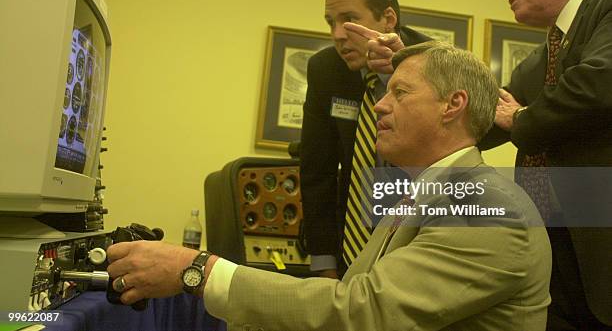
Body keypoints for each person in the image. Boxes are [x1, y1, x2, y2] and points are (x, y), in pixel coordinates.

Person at [108, 41, 552, 331]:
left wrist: (199, 271)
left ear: (452, 106)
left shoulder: (489, 205)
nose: (379, 105)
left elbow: (362, 312)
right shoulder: (427, 194)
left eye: (400, 93)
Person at [477, 0, 612, 329]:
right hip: (546, 249)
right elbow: (483, 122)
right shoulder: (538, 61)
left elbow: (601, 81)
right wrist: (408, 63)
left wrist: (521, 119)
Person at [300, 0, 429, 279]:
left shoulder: (434, 61)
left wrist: (398, 75)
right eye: (331, 22)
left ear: (388, 19)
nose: (337, 35)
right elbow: (318, 171)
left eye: (349, 20)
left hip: (419, 243)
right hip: (348, 246)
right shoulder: (325, 70)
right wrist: (324, 263)